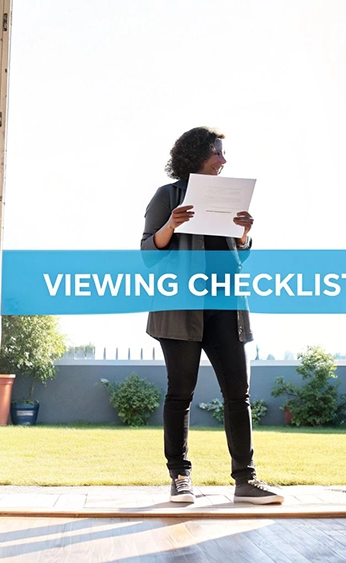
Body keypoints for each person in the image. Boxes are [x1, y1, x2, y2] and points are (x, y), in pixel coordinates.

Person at [141, 126, 284, 505]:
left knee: (238, 393)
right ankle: (180, 478)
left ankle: (245, 481)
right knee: (180, 393)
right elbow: (147, 254)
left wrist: (243, 237)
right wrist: (171, 225)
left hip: (225, 308)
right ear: (196, 155)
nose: (223, 160)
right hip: (178, 310)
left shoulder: (228, 198)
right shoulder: (166, 196)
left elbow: (242, 258)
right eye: (217, 152)